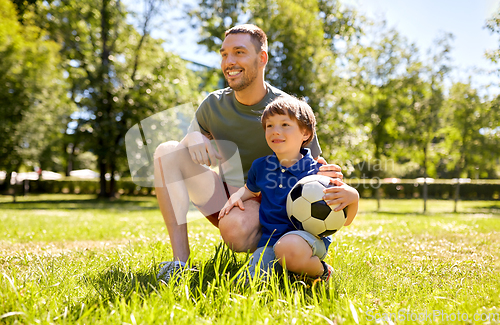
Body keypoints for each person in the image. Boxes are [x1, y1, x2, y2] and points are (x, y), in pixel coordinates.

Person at [154, 24, 349, 282]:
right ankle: (180, 263)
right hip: (227, 199)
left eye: (239, 52)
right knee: (166, 151)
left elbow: (313, 170)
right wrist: (193, 137)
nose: (229, 61)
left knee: (235, 229)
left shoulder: (285, 110)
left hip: (267, 205)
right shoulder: (212, 105)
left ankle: (283, 254)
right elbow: (181, 157)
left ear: (262, 58)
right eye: (224, 54)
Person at [218, 96, 359, 281]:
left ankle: (322, 272)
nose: (275, 131)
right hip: (270, 243)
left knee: (289, 249)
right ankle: (290, 270)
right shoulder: (261, 166)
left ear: (305, 133)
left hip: (305, 243)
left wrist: (353, 197)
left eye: (285, 124)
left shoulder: (319, 174)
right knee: (246, 283)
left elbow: (345, 219)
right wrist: (237, 196)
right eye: (270, 126)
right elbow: (251, 190)